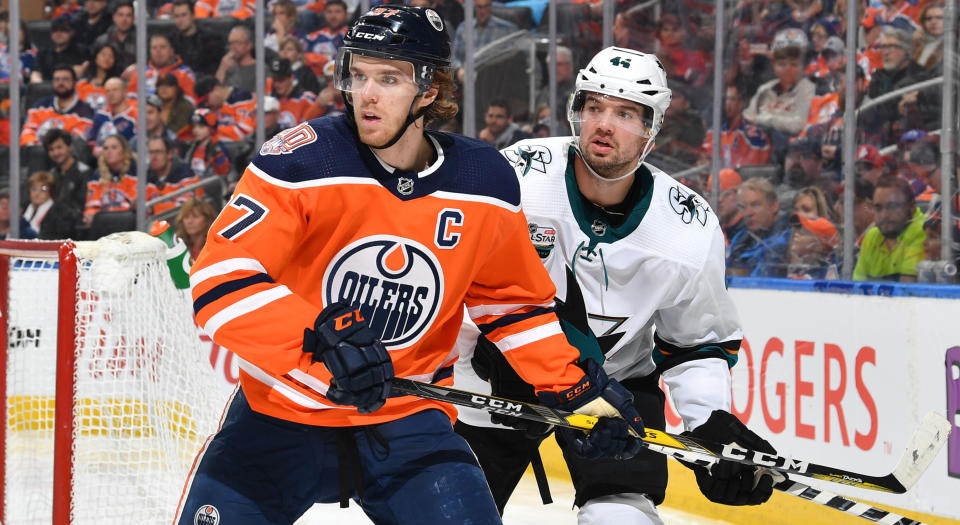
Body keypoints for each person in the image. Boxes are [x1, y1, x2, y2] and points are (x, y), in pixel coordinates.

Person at [175, 8, 645, 525]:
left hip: (408, 424)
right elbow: (218, 280)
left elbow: (511, 305)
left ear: (429, 91)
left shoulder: (484, 180)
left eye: (389, 79)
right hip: (278, 418)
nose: (366, 95)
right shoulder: (302, 161)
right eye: (357, 76)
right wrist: (316, 338)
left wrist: (575, 387)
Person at [454, 46, 777, 524]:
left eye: (625, 113)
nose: (604, 124)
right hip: (496, 381)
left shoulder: (687, 226)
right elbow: (455, 279)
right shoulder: (518, 174)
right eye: (594, 107)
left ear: (652, 128)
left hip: (615, 389)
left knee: (621, 518)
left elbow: (697, 342)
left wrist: (708, 420)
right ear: (576, 112)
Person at [853, 175, 926, 282]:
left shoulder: (923, 230)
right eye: (878, 208)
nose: (884, 215)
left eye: (892, 207)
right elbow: (857, 285)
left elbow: (907, 289)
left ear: (911, 207)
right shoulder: (872, 235)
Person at [727, 177, 792, 277]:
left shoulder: (789, 239)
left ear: (774, 206)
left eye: (755, 205)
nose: (748, 213)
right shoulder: (740, 239)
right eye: (743, 207)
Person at [20, 64, 96, 147]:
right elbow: (27, 131)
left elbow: (78, 142)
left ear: (75, 82)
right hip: (37, 155)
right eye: (57, 79)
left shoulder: (85, 112)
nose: (60, 83)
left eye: (65, 79)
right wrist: (34, 147)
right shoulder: (39, 107)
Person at [43, 128, 92, 215]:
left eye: (59, 147)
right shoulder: (51, 175)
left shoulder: (84, 173)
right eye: (51, 149)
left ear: (70, 147)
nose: (56, 153)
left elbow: (81, 207)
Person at [170, 0, 223, 77]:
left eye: (184, 15)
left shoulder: (211, 39)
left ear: (193, 15)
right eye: (177, 16)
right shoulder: (171, 42)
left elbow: (214, 70)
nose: (180, 20)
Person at [22, 170, 79, 239]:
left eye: (43, 189)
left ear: (51, 191)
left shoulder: (61, 212)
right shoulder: (23, 209)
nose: (37, 193)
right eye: (34, 189)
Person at [32, 15, 87, 82]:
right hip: (46, 88)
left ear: (72, 32)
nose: (58, 34)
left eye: (63, 30)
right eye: (55, 30)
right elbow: (36, 73)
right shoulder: (43, 53)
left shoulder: (81, 52)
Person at [174, 197, 217, 262]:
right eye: (186, 217)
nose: (190, 221)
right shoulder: (178, 246)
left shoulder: (216, 244)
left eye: (195, 216)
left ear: (207, 219)